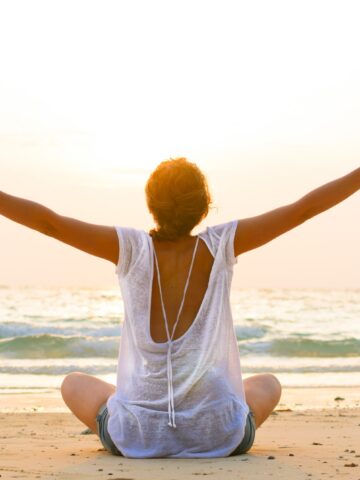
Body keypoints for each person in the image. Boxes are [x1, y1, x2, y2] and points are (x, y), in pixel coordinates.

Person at [0, 158, 359, 458]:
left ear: (151, 205)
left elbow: (49, 223)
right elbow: (304, 209)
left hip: (136, 438)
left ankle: (140, 414)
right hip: (219, 437)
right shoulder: (222, 244)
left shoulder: (129, 246)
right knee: (268, 383)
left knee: (73, 384)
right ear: (203, 206)